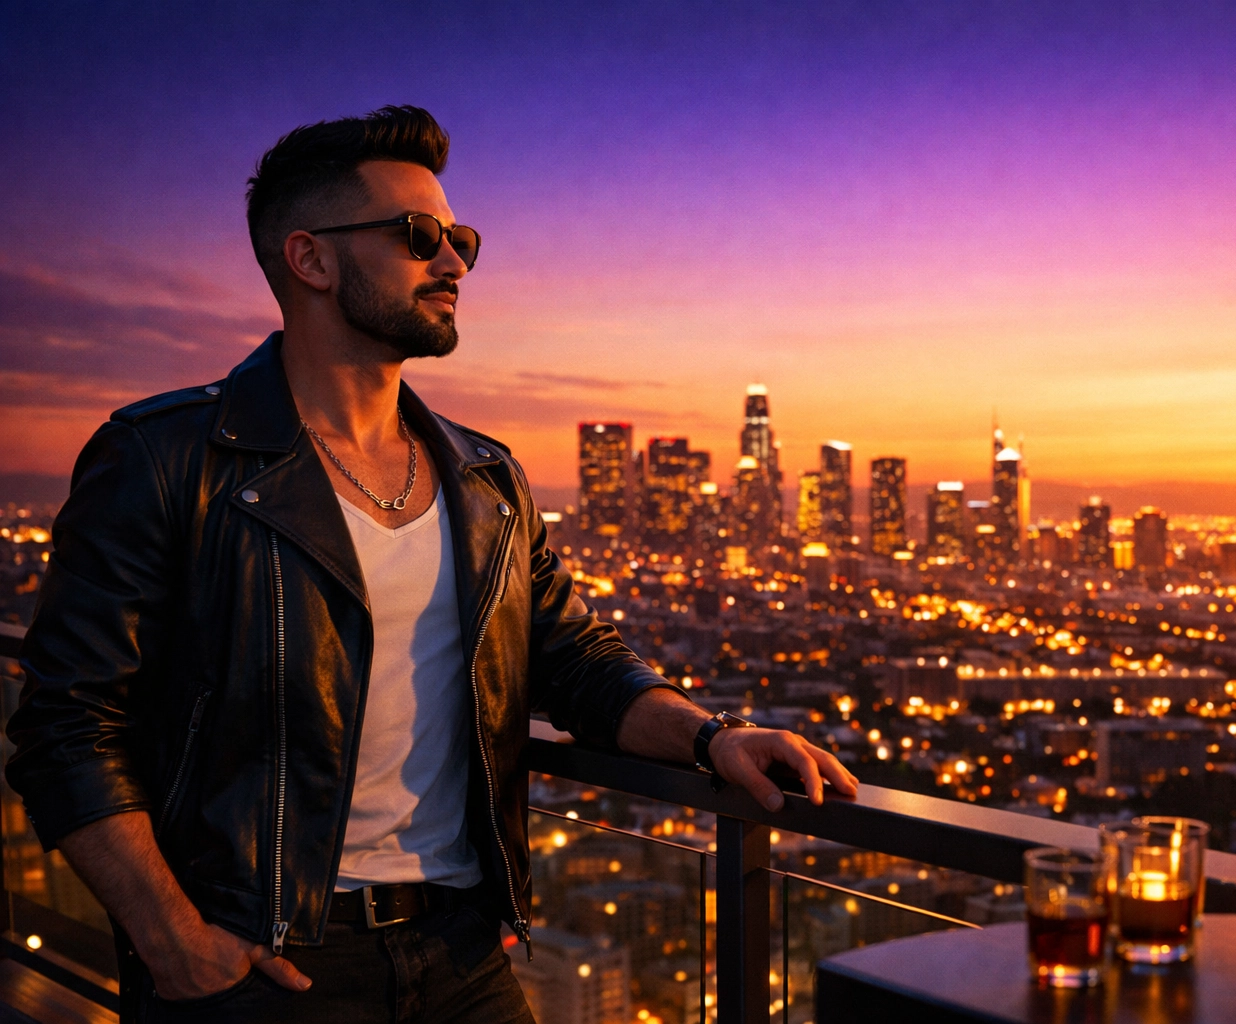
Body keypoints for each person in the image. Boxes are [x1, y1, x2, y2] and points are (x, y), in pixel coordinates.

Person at [6, 105, 857, 1023]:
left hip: (461, 952)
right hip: (260, 963)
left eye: (462, 240)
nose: (454, 263)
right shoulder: (165, 459)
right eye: (419, 236)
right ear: (311, 260)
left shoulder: (486, 478)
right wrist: (171, 937)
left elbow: (574, 659)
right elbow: (66, 724)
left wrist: (711, 738)